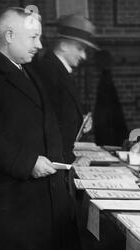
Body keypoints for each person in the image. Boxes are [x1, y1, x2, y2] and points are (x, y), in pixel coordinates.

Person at [0, 7, 80, 250]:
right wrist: (28, 162)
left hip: (35, 206)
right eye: (33, 37)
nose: (40, 45)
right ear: (9, 36)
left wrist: (65, 157)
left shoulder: (25, 70)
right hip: (10, 210)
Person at [34, 14, 99, 163]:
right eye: (80, 48)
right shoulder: (49, 71)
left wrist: (79, 121)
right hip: (54, 163)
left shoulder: (58, 70)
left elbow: (62, 115)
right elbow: (48, 127)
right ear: (63, 45)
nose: (83, 56)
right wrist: (71, 160)